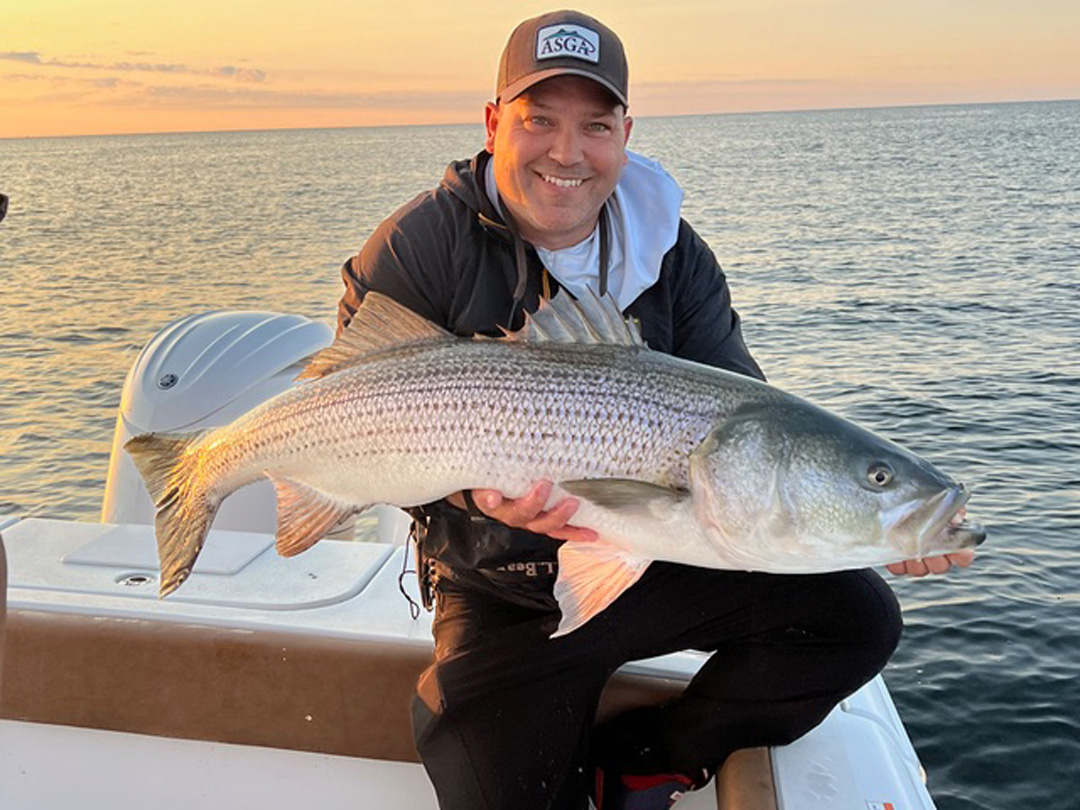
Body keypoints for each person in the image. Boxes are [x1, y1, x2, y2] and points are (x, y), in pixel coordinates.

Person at [337, 10, 974, 809]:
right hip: (495, 583)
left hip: (656, 557)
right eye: (540, 120)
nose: (567, 153)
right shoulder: (419, 246)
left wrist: (875, 520)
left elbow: (750, 428)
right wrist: (476, 493)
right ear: (495, 122)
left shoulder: (674, 251)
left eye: (595, 126)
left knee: (855, 617)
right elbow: (355, 415)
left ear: (626, 132)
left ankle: (653, 757)